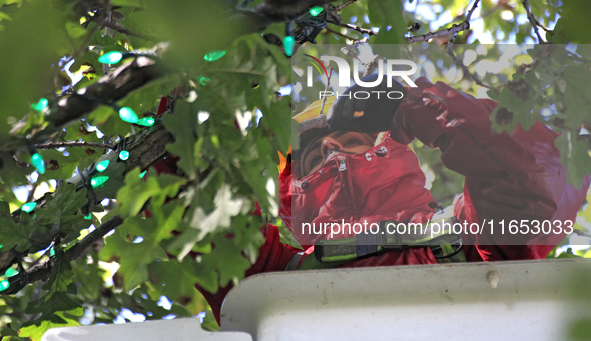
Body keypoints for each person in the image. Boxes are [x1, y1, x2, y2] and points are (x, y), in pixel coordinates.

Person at [194, 75, 591, 325]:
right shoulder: (271, 275)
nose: (332, 151)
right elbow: (190, 200)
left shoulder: (470, 241)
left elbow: (543, 177)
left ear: (397, 151)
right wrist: (202, 80)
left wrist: (411, 105)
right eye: (314, 156)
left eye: (351, 140)